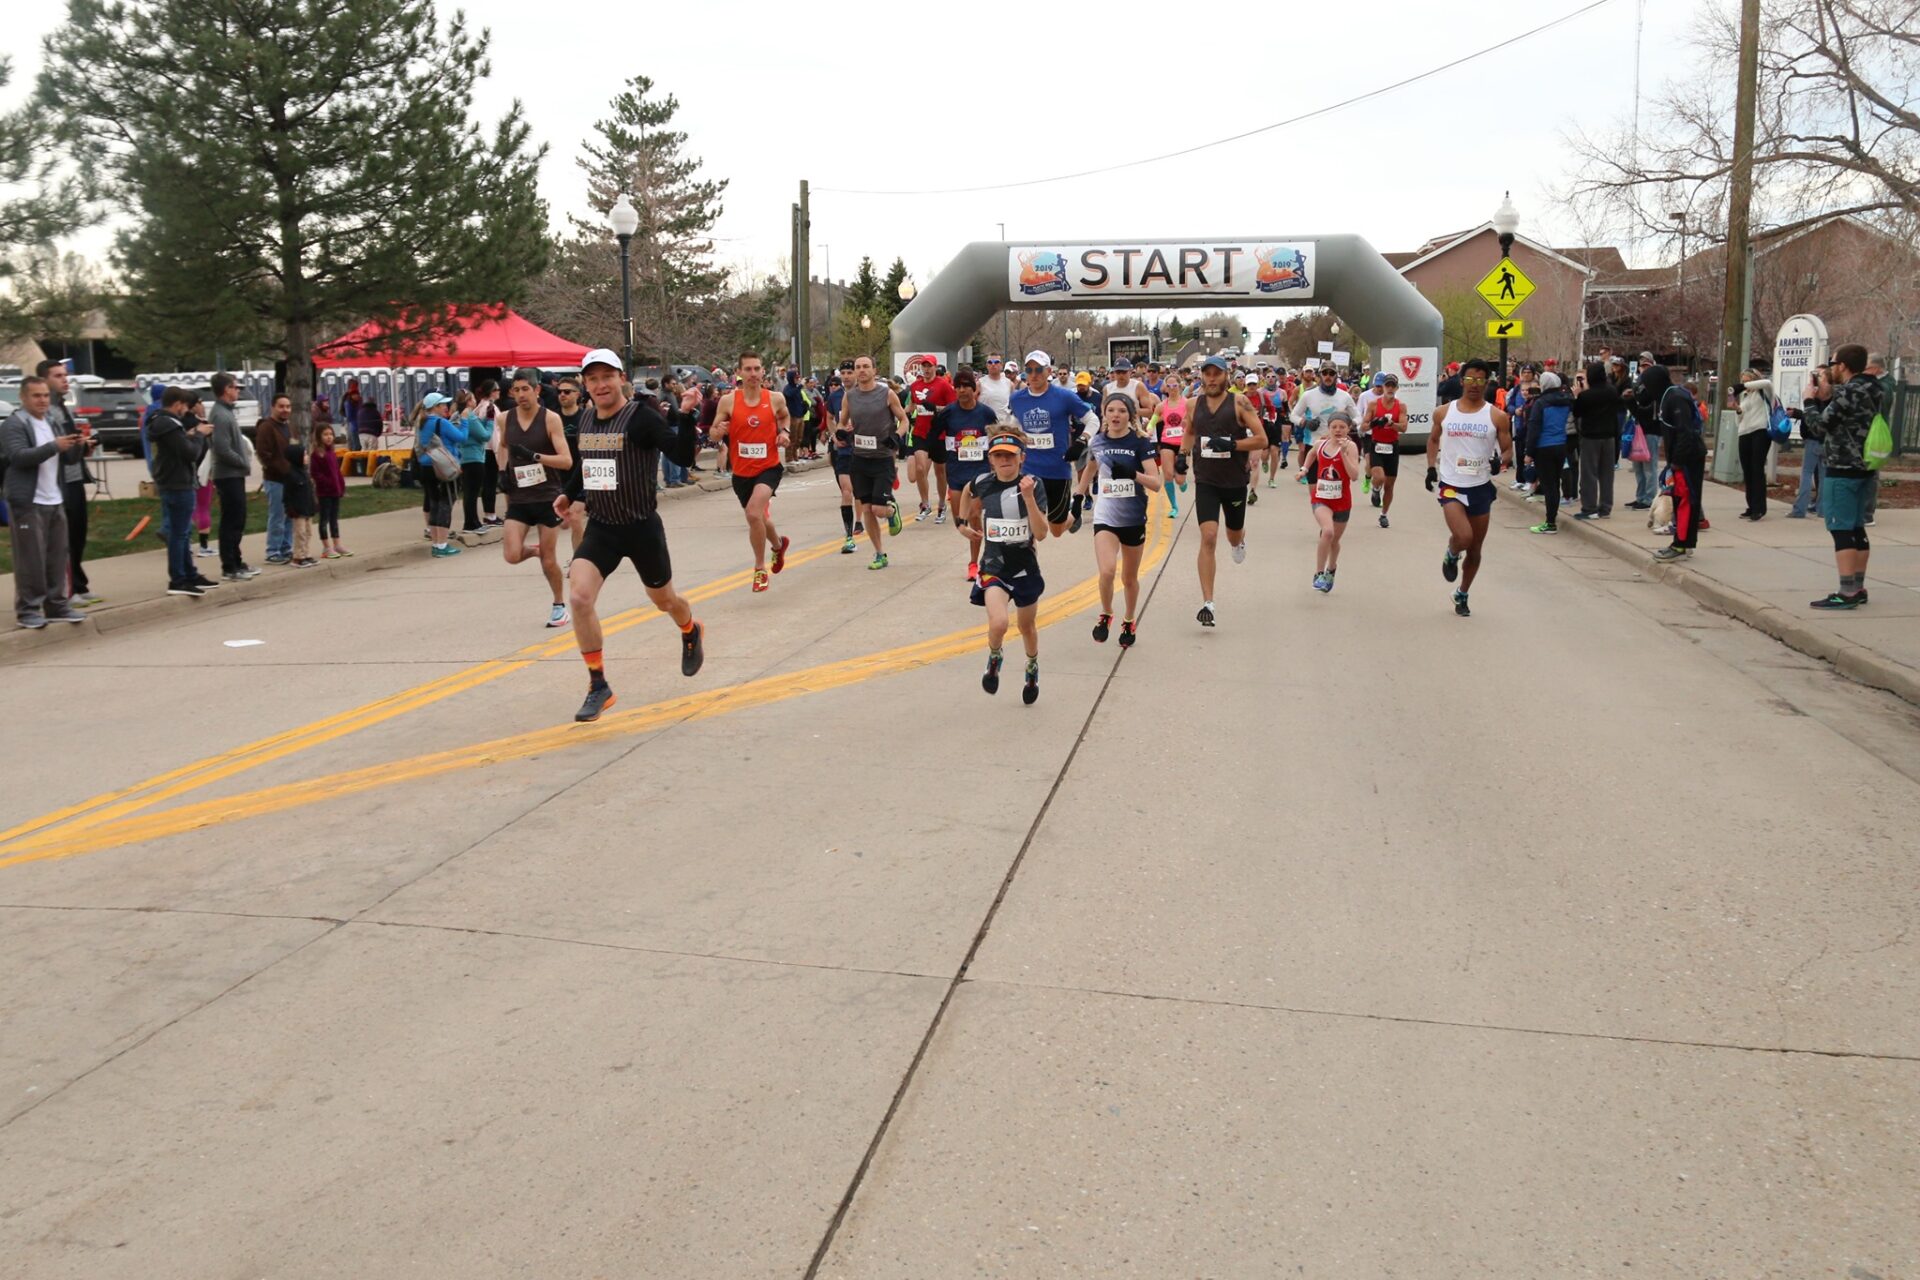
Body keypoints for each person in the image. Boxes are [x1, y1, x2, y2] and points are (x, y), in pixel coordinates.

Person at [555, 348, 705, 722]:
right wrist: (569, 493)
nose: (600, 385)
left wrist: (686, 415)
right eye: (593, 379)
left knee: (665, 600)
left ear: (621, 378)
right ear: (585, 384)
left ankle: (690, 629)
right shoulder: (587, 419)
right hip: (603, 527)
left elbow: (682, 456)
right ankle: (598, 684)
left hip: (641, 528)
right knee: (579, 596)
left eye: (607, 377)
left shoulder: (641, 418)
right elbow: (587, 463)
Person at [1180, 355, 1267, 627]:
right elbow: (1190, 432)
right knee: (1208, 537)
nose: (1212, 378)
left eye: (1217, 373)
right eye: (1207, 374)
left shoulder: (1239, 402)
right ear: (1201, 376)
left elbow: (1261, 439)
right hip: (1206, 480)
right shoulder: (1193, 404)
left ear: (1226, 376)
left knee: (1231, 535)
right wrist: (1182, 455)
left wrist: (1232, 446)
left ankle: (1239, 541)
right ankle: (1208, 603)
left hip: (1234, 481)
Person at [1424, 358, 1514, 617]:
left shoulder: (1497, 416)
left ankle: (1462, 593)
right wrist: (1431, 467)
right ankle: (1452, 552)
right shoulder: (1444, 412)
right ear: (1462, 381)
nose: (1475, 385)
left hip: (1480, 486)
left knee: (1475, 549)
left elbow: (1507, 449)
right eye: (1470, 380)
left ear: (1487, 383)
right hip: (1451, 484)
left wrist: (1501, 462)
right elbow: (1433, 439)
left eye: (1480, 381)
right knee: (1463, 537)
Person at [965, 431, 1050, 704]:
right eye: (998, 455)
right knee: (999, 622)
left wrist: (1028, 499)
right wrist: (961, 523)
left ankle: (1032, 667)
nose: (1004, 460)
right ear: (990, 459)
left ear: (1021, 458)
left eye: (1010, 456)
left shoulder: (1033, 485)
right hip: (993, 566)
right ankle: (994, 656)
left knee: (1027, 626)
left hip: (1025, 568)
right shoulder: (982, 482)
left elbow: (1042, 531)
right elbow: (965, 493)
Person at [1076, 392, 1163, 646]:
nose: (1116, 415)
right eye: (1111, 410)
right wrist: (1078, 497)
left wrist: (1132, 474)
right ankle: (1106, 613)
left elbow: (1156, 483)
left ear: (1131, 416)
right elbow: (1090, 468)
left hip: (1133, 517)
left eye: (1122, 411)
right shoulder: (1098, 441)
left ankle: (1129, 619)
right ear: (1104, 413)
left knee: (1128, 578)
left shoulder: (1141, 442)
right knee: (1107, 571)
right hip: (1105, 516)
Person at [3, 376, 88, 627]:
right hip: (28, 501)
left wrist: (79, 446)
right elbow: (18, 457)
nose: (42, 400)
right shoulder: (13, 424)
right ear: (23, 397)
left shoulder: (52, 422)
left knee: (57, 557)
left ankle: (57, 606)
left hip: (54, 498)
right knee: (31, 559)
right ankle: (28, 610)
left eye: (45, 396)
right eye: (36, 396)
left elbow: (68, 459)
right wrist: (55, 446)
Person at [1800, 344, 1878, 608]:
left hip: (1842, 468)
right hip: (1866, 468)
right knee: (1857, 527)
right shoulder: (1876, 388)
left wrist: (1809, 401)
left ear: (1843, 366)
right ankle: (1859, 585)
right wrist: (1828, 392)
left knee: (1841, 528)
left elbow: (1820, 426)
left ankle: (1846, 592)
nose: (1830, 368)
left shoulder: (1849, 392)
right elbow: (1851, 400)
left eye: (1832, 364)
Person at [495, 368, 573, 625]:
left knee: (549, 561)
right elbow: (504, 447)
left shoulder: (550, 419)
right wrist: (502, 471)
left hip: (546, 495)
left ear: (537, 390)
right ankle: (535, 550)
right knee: (512, 555)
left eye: (525, 389)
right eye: (515, 390)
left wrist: (536, 457)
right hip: (519, 497)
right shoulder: (505, 418)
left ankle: (559, 605)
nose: (520, 395)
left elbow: (566, 460)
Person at [710, 352, 793, 592]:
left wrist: (784, 433)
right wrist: (719, 430)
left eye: (757, 369)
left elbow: (785, 416)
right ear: (739, 372)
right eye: (748, 369)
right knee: (759, 518)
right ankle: (778, 545)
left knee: (754, 514)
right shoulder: (728, 401)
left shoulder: (775, 398)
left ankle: (759, 569)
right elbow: (714, 434)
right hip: (741, 472)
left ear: (763, 371)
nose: (753, 374)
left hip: (768, 468)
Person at [1010, 350, 1097, 539]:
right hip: (1030, 471)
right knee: (1031, 527)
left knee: (1056, 530)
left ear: (1049, 371)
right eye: (1029, 370)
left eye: (1038, 369)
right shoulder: (1017, 399)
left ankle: (1074, 514)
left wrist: (1081, 442)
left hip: (1057, 470)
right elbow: (1015, 425)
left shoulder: (1064, 397)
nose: (1033, 374)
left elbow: (1093, 420)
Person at [37, 361, 100, 604]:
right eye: (58, 376)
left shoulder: (63, 406)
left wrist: (84, 445)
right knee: (64, 537)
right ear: (44, 379)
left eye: (66, 375)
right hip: (58, 480)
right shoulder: (47, 410)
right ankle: (65, 588)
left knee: (78, 533)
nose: (65, 380)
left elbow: (69, 442)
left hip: (74, 475)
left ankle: (79, 582)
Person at [839, 355, 910, 569]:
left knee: (879, 510)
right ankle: (880, 553)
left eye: (865, 367)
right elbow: (842, 423)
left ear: (874, 370)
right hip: (859, 459)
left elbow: (904, 420)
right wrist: (842, 433)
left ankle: (891, 511)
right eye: (858, 367)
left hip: (882, 459)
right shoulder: (849, 396)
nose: (861, 370)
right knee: (867, 509)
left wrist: (896, 436)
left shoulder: (886, 394)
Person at [147, 386, 218, 596]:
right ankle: (178, 579)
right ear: (177, 404)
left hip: (175, 482)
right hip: (177, 484)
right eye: (185, 406)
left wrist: (188, 435)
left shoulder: (164, 424)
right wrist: (198, 435)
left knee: (184, 533)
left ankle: (190, 574)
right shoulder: (167, 424)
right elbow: (190, 453)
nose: (186, 411)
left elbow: (180, 447)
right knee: (179, 535)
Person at [936, 367, 998, 582]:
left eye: (966, 386)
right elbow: (934, 436)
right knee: (959, 522)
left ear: (974, 389)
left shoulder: (986, 414)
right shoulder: (948, 413)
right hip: (956, 473)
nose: (962, 390)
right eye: (958, 387)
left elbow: (995, 439)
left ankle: (976, 563)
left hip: (979, 473)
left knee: (974, 516)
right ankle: (976, 553)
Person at [206, 371, 257, 580]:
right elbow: (222, 448)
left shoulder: (226, 412)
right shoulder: (219, 414)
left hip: (234, 474)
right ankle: (229, 566)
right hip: (227, 475)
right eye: (235, 387)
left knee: (239, 519)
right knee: (231, 520)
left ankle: (237, 561)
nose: (237, 391)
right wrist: (243, 462)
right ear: (226, 389)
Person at [1651, 371, 1706, 561]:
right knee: (1683, 500)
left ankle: (1681, 545)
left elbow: (1685, 432)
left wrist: (1676, 462)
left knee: (1684, 501)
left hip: (1686, 459)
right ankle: (1685, 542)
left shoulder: (1675, 398)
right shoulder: (1672, 395)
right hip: (1684, 457)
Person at [1306, 408, 1362, 592]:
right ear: (1328, 428)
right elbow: (1312, 453)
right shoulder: (1320, 444)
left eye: (1342, 427)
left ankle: (1331, 568)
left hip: (1342, 501)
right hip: (1321, 497)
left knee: (1334, 541)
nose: (1338, 430)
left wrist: (1344, 453)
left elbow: (1354, 476)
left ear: (1348, 429)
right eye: (1334, 426)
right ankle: (1318, 573)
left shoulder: (1351, 447)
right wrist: (1304, 469)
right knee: (1327, 532)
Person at [415, 392, 468, 556]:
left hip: (426, 466)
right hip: (442, 467)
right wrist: (465, 421)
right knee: (446, 503)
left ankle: (436, 543)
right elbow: (462, 437)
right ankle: (442, 544)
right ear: (435, 407)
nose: (445, 407)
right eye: (442, 404)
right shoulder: (441, 422)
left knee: (434, 503)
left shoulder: (421, 423)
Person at [1570, 361, 1623, 521]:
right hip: (1609, 436)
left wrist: (1577, 396)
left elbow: (1577, 412)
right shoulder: (1612, 391)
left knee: (1589, 473)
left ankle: (1589, 507)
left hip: (1590, 436)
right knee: (1607, 474)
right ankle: (1605, 507)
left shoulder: (1587, 395)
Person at [1522, 370, 1574, 534]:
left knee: (1548, 485)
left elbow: (1534, 428)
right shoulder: (1566, 400)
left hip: (1543, 447)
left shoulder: (1541, 403)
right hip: (1561, 445)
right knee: (1555, 484)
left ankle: (1550, 523)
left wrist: (1529, 452)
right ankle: (1552, 518)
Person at [906, 356, 955, 522]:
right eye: (924, 366)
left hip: (939, 433)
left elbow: (953, 408)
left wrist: (936, 408)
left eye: (929, 366)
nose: (926, 369)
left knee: (940, 472)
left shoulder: (943, 385)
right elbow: (912, 405)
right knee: (920, 468)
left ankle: (941, 504)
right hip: (920, 433)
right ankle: (925, 504)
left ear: (935, 367)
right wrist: (901, 413)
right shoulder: (915, 386)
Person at [1290, 365, 1355, 486]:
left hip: (1337, 446)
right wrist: (1305, 422)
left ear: (1336, 376)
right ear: (1320, 375)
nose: (1328, 376)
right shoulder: (1308, 395)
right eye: (1325, 373)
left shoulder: (1344, 396)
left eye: (1331, 373)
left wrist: (1347, 427)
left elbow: (1358, 417)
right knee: (1314, 489)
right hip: (1314, 444)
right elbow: (1293, 416)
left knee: (1335, 485)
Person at [254, 391, 295, 564]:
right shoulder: (266, 427)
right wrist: (283, 468)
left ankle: (286, 548)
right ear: (273, 407)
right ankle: (273, 551)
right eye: (281, 406)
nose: (285, 410)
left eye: (287, 406)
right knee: (277, 516)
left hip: (291, 479)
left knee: (289, 516)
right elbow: (264, 454)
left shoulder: (288, 427)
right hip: (275, 480)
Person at [277, 398, 319, 567]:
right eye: (304, 455)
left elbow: (310, 491)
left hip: (307, 509)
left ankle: (307, 554)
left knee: (308, 533)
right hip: (298, 511)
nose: (307, 457)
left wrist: (314, 504)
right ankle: (298, 556)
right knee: (299, 533)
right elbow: (288, 494)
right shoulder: (291, 475)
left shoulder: (304, 474)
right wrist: (290, 508)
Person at [1364, 372, 1407, 527]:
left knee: (1389, 486)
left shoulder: (1400, 406)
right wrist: (1374, 423)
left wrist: (1391, 424)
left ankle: (1384, 514)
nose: (1390, 388)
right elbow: (1363, 426)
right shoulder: (1374, 404)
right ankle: (1375, 489)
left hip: (1392, 447)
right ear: (1382, 387)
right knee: (1380, 477)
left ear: (1396, 388)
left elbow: (1404, 427)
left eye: (1392, 386)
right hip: (1377, 444)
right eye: (1387, 385)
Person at [1734, 368, 1775, 521]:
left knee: (1757, 469)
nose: (1745, 384)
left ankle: (1759, 508)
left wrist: (1747, 385)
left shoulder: (1764, 392)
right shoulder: (1744, 397)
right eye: (1743, 381)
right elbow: (1738, 421)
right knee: (1747, 471)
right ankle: (1751, 505)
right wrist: (1738, 411)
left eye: (1747, 381)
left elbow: (1767, 382)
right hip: (1744, 432)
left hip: (1760, 431)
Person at [454, 389, 495, 534]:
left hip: (463, 457)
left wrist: (483, 420)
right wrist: (490, 421)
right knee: (473, 492)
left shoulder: (457, 415)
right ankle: (471, 523)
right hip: (475, 457)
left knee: (469, 492)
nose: (475, 401)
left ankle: (473, 521)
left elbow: (475, 428)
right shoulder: (470, 417)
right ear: (468, 401)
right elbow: (484, 435)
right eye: (472, 399)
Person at [1152, 373, 1188, 520]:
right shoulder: (1161, 405)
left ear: (1180, 386)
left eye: (1175, 385)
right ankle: (1174, 507)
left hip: (1183, 443)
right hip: (1167, 441)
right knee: (1167, 475)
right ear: (1165, 388)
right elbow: (1153, 421)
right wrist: (1148, 428)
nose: (1172, 389)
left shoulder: (1187, 403)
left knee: (1179, 479)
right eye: (1169, 386)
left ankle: (1183, 481)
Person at [311, 423, 349, 558]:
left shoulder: (331, 453)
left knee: (334, 519)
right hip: (324, 492)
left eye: (331, 434)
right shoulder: (317, 454)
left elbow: (337, 472)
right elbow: (315, 473)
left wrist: (341, 485)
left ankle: (337, 544)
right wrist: (327, 483)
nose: (329, 437)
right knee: (324, 519)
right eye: (325, 434)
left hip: (335, 491)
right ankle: (326, 547)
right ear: (319, 437)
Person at [978, 352, 1014, 420]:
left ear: (1001, 365)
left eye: (996, 362)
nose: (993, 364)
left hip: (1003, 425)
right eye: (990, 362)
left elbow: (1013, 405)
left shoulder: (1009, 384)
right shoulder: (979, 383)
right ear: (987, 365)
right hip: (986, 425)